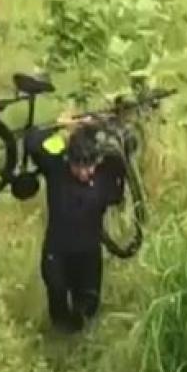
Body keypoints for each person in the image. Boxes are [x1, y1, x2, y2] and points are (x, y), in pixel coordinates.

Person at [24, 118, 125, 334]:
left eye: (89, 166)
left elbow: (127, 144)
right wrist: (63, 127)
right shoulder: (56, 166)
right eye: (78, 166)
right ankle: (59, 335)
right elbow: (32, 139)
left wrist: (99, 125)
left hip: (88, 252)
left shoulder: (107, 171)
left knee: (87, 307)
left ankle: (77, 337)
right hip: (57, 251)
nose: (84, 172)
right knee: (57, 293)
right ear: (69, 160)